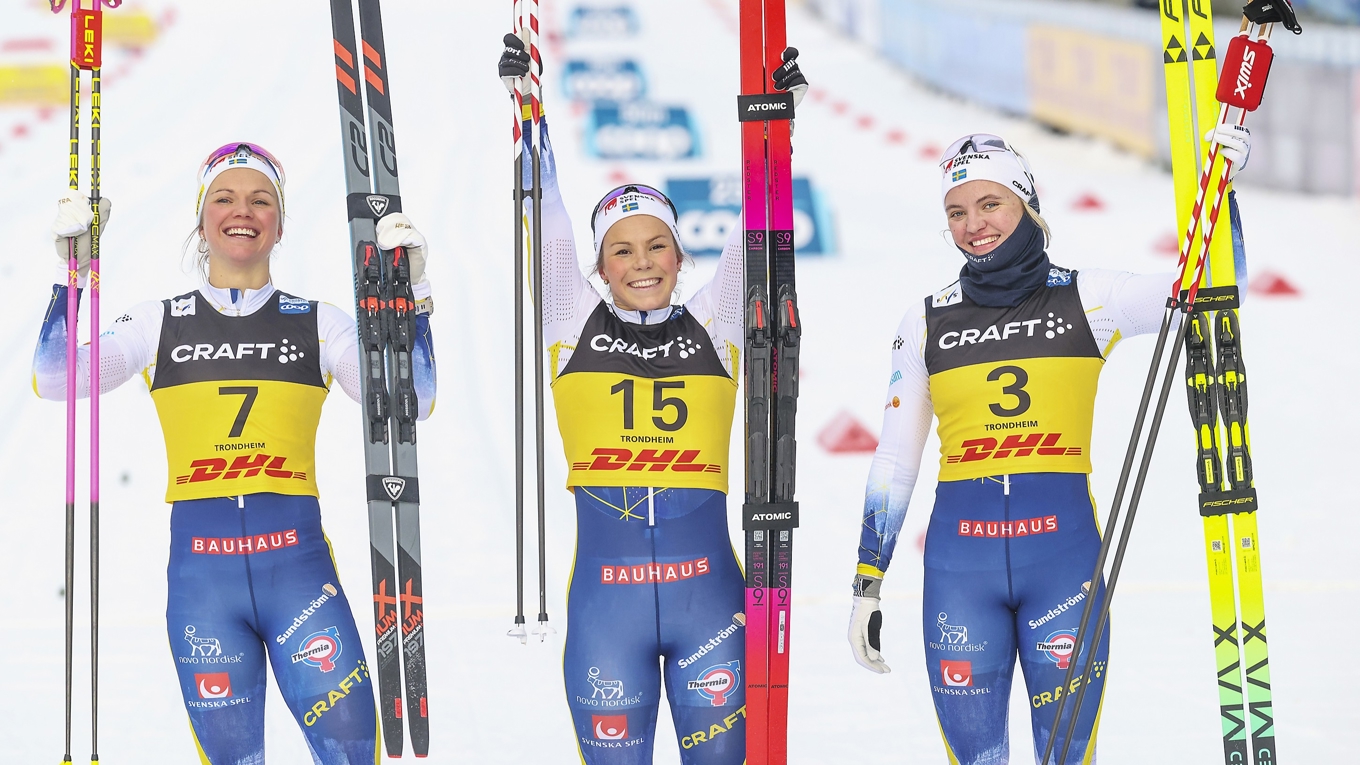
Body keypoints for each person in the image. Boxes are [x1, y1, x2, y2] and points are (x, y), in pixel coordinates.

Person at [845, 129, 1252, 764]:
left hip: (1062, 567)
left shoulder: (1088, 298)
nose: (974, 225)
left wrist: (1224, 191)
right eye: (957, 211)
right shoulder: (925, 321)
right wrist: (868, 580)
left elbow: (1211, 294)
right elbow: (897, 459)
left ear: (1027, 205)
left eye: (991, 204)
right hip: (960, 577)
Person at [31, 143, 438, 764]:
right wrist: (74, 279)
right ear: (201, 219)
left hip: (298, 580)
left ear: (280, 221)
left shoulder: (319, 324)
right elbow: (56, 379)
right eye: (223, 197)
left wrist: (409, 300)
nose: (240, 211)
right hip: (203, 588)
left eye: (260, 199)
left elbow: (414, 400)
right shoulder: (158, 323)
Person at [497, 37, 805, 764]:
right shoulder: (570, 325)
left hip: (714, 612)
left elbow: (759, 227)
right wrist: (526, 114)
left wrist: (779, 128)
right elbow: (544, 215)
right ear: (599, 265)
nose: (642, 264)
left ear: (680, 253)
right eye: (623, 250)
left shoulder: (719, 322)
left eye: (657, 245)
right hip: (608, 617)